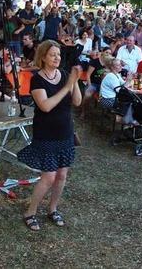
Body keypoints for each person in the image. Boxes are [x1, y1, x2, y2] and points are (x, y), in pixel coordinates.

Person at [18, 41, 82, 231]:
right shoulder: (37, 79)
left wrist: (75, 81)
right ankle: (30, 212)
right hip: (46, 133)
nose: (57, 58)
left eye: (59, 55)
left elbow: (77, 102)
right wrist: (67, 86)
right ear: (43, 57)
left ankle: (52, 209)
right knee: (48, 177)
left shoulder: (63, 76)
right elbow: (45, 106)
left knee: (62, 175)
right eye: (53, 54)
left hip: (65, 132)